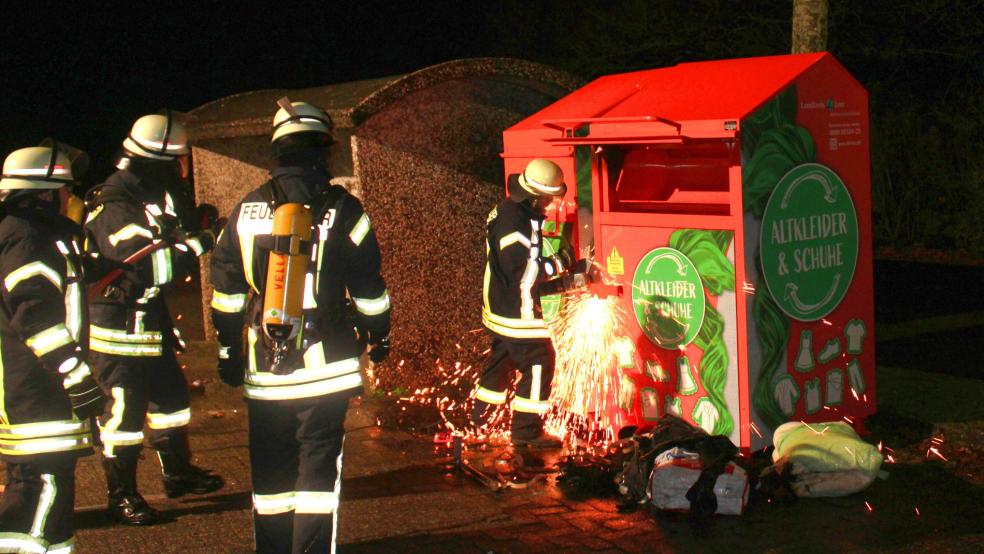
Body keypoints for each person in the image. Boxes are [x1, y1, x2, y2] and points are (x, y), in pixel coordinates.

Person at [210, 99, 391, 553]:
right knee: (317, 470)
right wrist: (380, 334)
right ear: (322, 151)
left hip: (264, 369)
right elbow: (369, 287)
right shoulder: (345, 209)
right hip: (326, 369)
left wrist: (230, 351)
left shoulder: (245, 210)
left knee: (271, 473)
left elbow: (227, 293)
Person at [83, 112, 223, 525]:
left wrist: (190, 225)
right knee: (124, 414)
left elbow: (163, 238)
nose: (182, 170)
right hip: (117, 327)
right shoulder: (113, 202)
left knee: (172, 402)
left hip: (148, 322)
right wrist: (202, 241)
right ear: (156, 160)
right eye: (177, 161)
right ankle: (121, 495)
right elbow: (147, 266)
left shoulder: (145, 196)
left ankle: (177, 474)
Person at [0, 144, 104, 552]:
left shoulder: (34, 235)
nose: (71, 199)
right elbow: (36, 317)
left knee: (50, 493)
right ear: (45, 193)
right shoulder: (28, 238)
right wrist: (76, 376)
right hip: (38, 394)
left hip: (39, 389)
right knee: (38, 492)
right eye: (67, 189)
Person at [471, 159, 576, 448]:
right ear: (534, 195)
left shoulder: (512, 211)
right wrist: (560, 264)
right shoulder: (513, 220)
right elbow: (521, 270)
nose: (550, 203)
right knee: (540, 360)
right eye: (548, 197)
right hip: (516, 311)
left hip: (501, 305)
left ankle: (481, 420)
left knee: (503, 359)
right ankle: (527, 431)